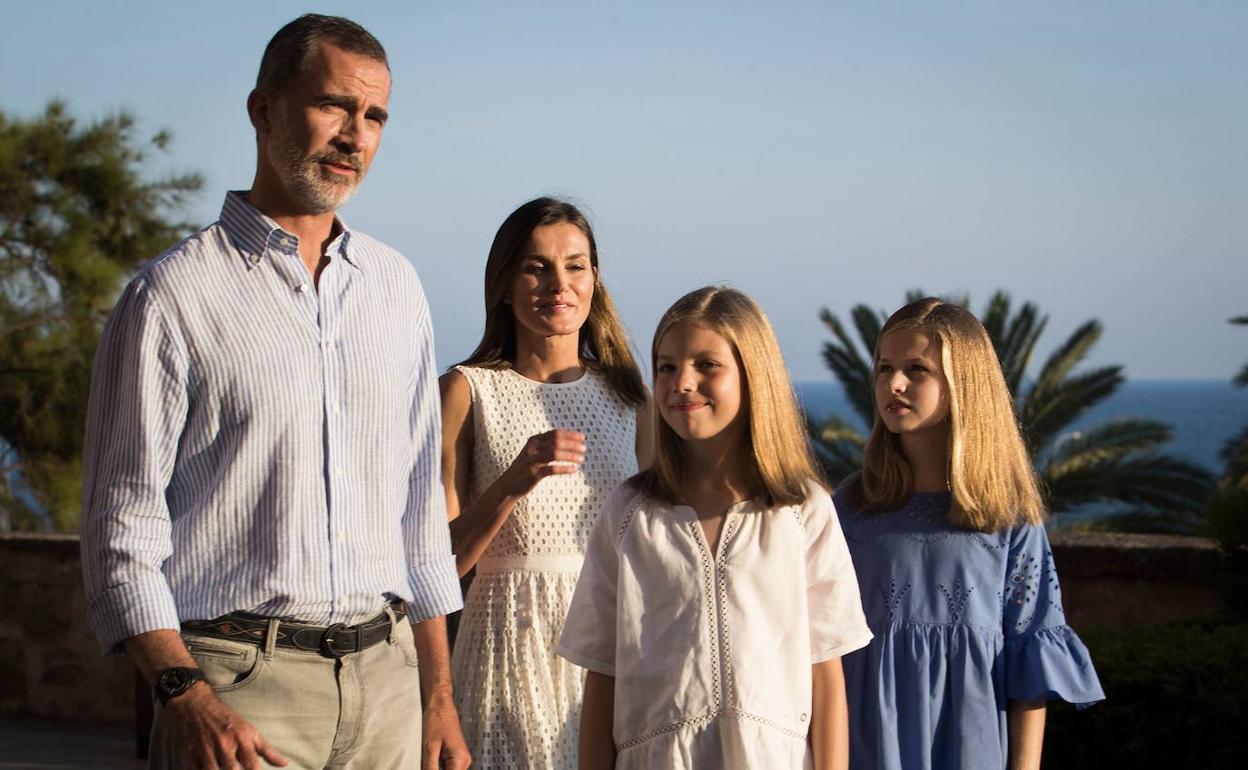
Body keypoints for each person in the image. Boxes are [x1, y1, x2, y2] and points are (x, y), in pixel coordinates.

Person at [79, 14, 470, 770]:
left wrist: (438, 698)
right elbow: (119, 531)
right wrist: (186, 696)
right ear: (263, 110)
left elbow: (420, 514)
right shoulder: (171, 296)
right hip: (239, 692)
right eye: (334, 105)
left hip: (390, 687)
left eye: (375, 116)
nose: (355, 136)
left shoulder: (395, 288)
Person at [557, 286, 873, 769]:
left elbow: (826, 674)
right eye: (666, 366)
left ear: (753, 375)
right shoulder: (629, 513)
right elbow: (602, 677)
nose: (682, 382)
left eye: (706, 365)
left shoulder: (803, 510)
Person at [835, 297, 1105, 770]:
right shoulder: (851, 508)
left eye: (917, 370)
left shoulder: (1008, 515)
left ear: (964, 383)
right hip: (866, 745)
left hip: (969, 745)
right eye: (884, 368)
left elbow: (1030, 660)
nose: (893, 384)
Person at [440, 197, 651, 768]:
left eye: (575, 266)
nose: (559, 284)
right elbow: (438, 565)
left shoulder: (631, 400)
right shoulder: (466, 391)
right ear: (505, 285)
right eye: (536, 267)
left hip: (610, 654)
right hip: (504, 650)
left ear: (594, 279)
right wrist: (512, 482)